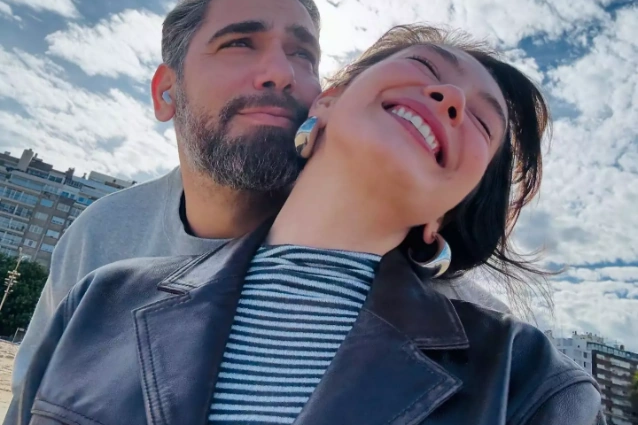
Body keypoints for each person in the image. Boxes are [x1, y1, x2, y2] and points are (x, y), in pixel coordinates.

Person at [9, 24, 603, 425]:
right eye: (425, 67)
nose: (450, 98)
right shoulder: (100, 301)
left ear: (445, 214)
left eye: (481, 122)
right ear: (328, 100)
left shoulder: (532, 385)